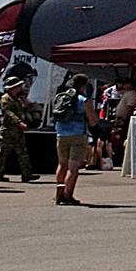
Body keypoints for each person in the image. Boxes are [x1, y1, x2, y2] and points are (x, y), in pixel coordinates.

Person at [49, 73, 95, 204]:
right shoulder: (83, 100)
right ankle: (67, 195)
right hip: (78, 135)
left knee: (62, 164)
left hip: (61, 134)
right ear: (83, 86)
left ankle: (58, 193)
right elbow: (93, 121)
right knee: (73, 167)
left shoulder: (61, 97)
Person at [0, 77, 37, 185]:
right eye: (18, 86)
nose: (20, 88)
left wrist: (26, 103)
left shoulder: (18, 98)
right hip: (8, 130)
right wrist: (19, 122)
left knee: (22, 153)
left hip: (18, 131)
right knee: (3, 153)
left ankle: (27, 174)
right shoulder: (6, 99)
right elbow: (8, 113)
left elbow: (29, 108)